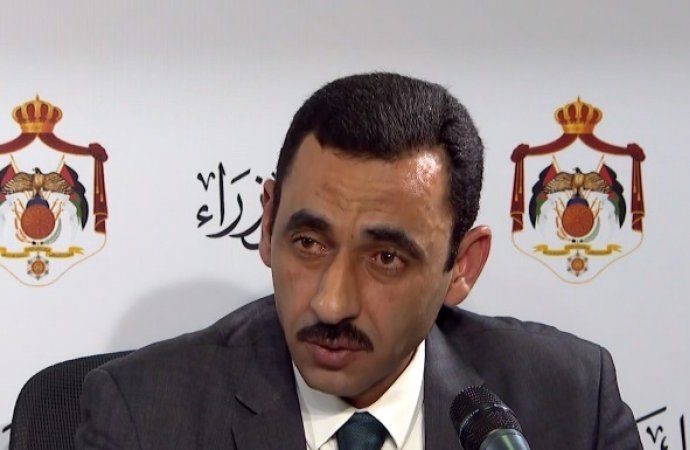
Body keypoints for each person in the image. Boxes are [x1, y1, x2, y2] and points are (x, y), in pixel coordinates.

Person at [76, 73, 642, 449]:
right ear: (268, 224)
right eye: (309, 243)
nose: (331, 303)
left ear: (463, 267)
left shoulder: (570, 404)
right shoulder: (145, 417)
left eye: (386, 258)